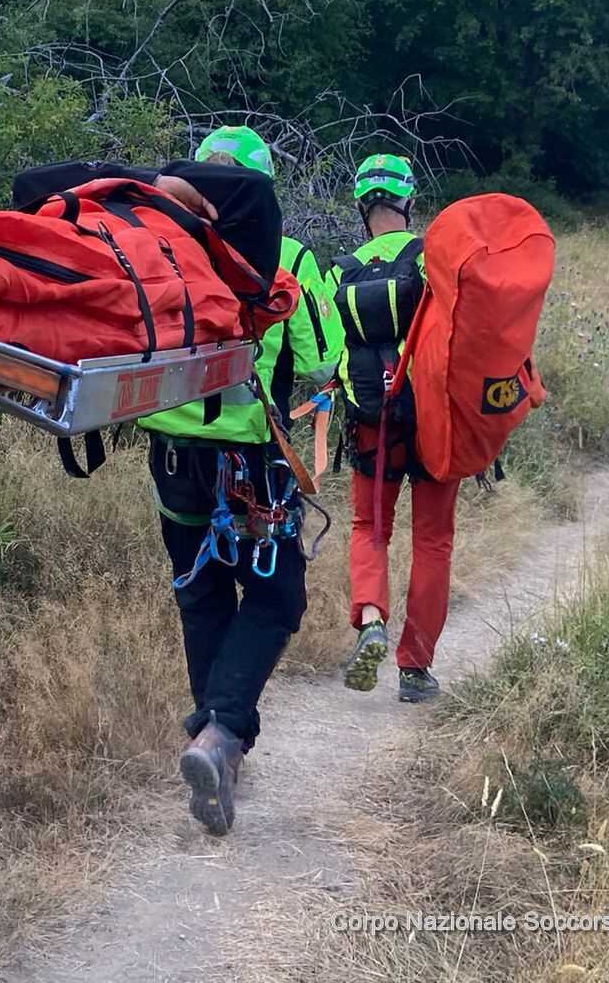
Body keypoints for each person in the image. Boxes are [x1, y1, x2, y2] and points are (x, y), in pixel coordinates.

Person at [135, 125, 340, 836]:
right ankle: (222, 734)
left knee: (202, 595)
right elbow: (321, 358)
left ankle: (211, 740)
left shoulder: (158, 248)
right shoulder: (287, 255)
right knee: (278, 597)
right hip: (252, 463)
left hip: (169, 454)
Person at [333, 153, 453, 705]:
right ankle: (414, 668)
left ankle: (372, 621)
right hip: (432, 420)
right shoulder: (432, 258)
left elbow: (330, 354)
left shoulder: (340, 269)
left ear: (361, 204)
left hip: (370, 419)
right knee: (432, 540)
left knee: (368, 526)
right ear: (408, 200)